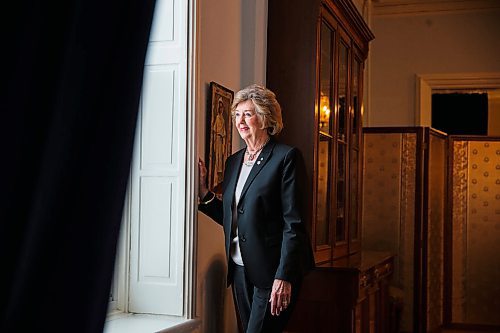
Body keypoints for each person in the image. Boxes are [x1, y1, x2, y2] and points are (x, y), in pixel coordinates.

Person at [198, 84, 315, 333]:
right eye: (237, 115)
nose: (241, 121)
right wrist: (205, 194)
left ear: (265, 118)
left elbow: (293, 224)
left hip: (273, 273)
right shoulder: (233, 162)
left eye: (248, 114)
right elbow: (236, 217)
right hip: (240, 270)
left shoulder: (286, 157)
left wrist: (283, 276)